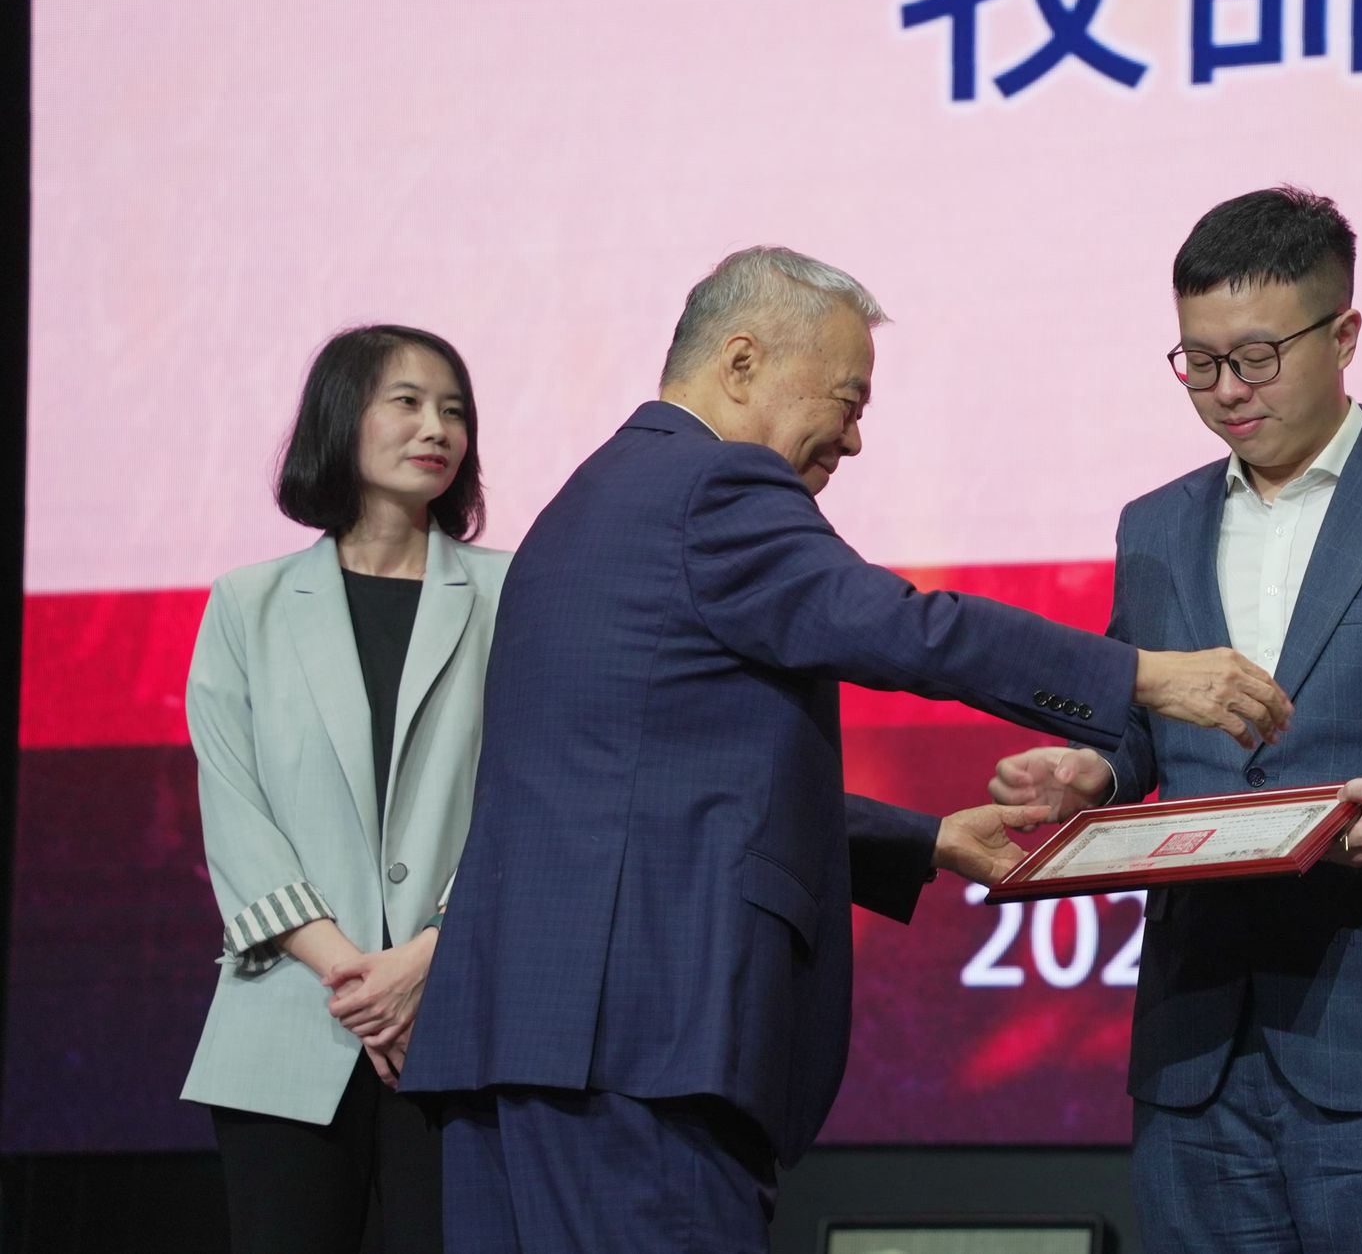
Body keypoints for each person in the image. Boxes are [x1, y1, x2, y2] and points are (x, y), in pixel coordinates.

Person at [399, 246, 1293, 1252]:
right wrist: (1142, 678)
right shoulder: (713, 482)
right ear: (742, 362)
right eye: (847, 400)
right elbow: (903, 625)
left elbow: (662, 782)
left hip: (523, 1050)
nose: (856, 439)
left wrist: (928, 842)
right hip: (637, 1050)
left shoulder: (594, 496)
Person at [991, 187, 1362, 1253]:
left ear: (1345, 334)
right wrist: (1096, 770)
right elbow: (1149, 727)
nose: (1228, 390)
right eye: (1199, 362)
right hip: (1197, 1039)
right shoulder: (1154, 526)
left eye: (1258, 357)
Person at [180, 325, 509, 1254]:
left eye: (453, 410)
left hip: (455, 1018)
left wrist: (427, 957)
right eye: (407, 402)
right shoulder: (247, 603)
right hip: (291, 1017)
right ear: (341, 418)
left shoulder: (512, 595)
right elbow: (236, 817)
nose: (436, 427)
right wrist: (357, 980)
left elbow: (527, 800)